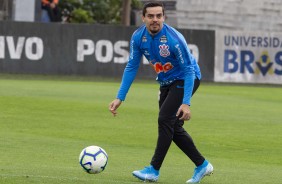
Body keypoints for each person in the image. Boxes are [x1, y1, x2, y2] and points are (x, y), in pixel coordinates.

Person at [109, 2, 213, 183]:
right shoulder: (138, 37)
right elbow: (132, 66)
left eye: (159, 16)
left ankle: (153, 170)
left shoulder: (174, 39)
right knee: (173, 128)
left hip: (186, 79)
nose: (155, 20)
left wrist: (186, 103)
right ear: (143, 18)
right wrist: (120, 97)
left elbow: (188, 70)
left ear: (164, 17)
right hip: (166, 82)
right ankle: (202, 165)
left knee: (164, 119)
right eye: (151, 16)